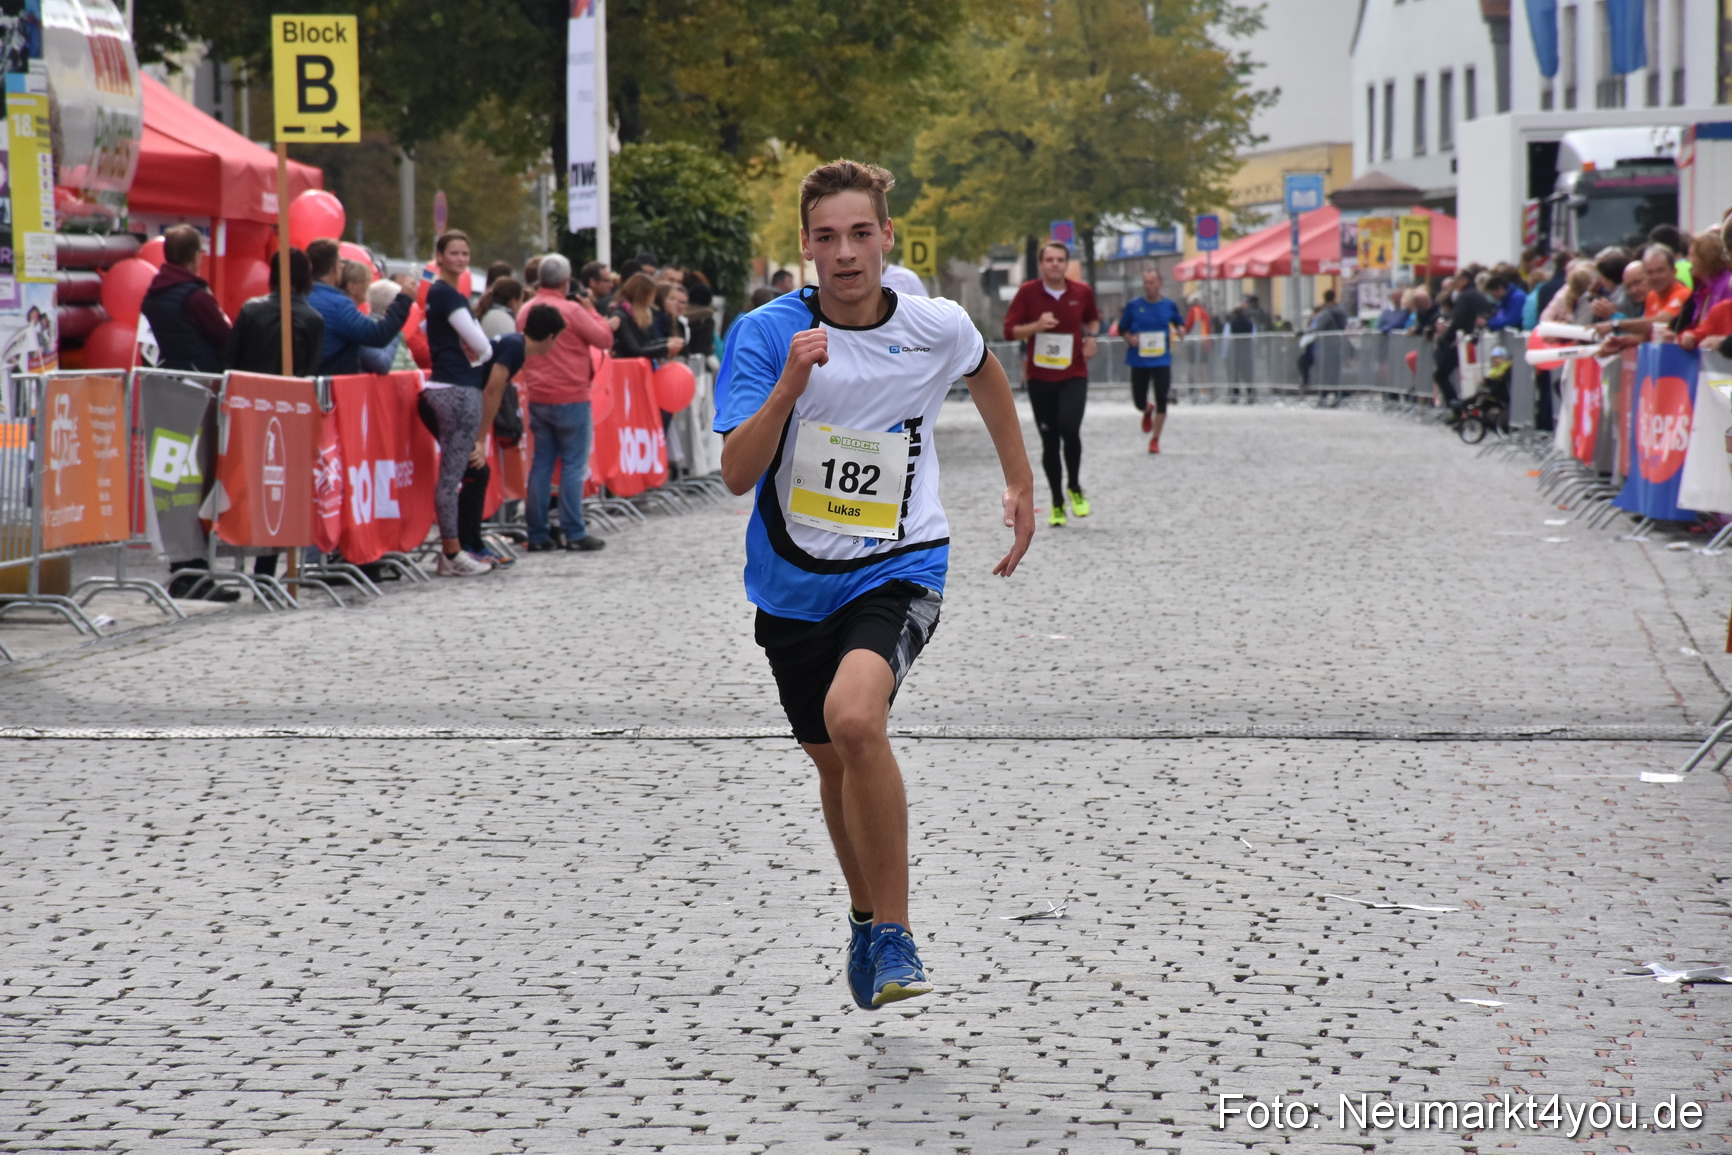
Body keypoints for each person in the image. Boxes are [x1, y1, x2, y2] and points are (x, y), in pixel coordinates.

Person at [714, 159, 1034, 1011]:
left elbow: (986, 369)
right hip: (791, 585)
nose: (846, 253)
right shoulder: (765, 333)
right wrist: (788, 385)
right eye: (827, 237)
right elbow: (737, 474)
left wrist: (1019, 480)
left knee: (855, 717)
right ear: (807, 246)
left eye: (862, 234)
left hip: (901, 563)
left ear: (888, 238)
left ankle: (894, 934)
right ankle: (864, 918)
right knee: (832, 759)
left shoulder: (934, 323)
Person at [431, 302, 567, 568]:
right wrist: (480, 439)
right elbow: (493, 390)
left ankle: (472, 543)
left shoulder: (514, 343)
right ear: (551, 337)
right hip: (457, 400)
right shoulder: (516, 348)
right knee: (474, 473)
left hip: (457, 399)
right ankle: (463, 547)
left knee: (477, 474)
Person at [518, 253, 616, 552]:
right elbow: (603, 339)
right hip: (572, 396)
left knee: (541, 465)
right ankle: (574, 532)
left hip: (537, 396)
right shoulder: (573, 310)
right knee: (574, 465)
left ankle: (537, 534)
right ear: (566, 280)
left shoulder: (525, 310)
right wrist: (595, 312)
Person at [1003, 241, 1098, 527]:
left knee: (1070, 428)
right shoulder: (1028, 293)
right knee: (1049, 440)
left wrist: (1092, 338)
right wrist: (1036, 326)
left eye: (1060, 260)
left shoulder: (1081, 292)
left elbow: (1093, 319)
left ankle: (1075, 487)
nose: (1055, 264)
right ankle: (1057, 501)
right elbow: (1009, 331)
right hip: (1040, 377)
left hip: (1073, 373)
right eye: (1050, 260)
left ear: (1066, 264)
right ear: (1042, 264)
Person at [418, 230, 496, 577]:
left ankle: (459, 548)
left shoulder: (440, 295)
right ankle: (452, 552)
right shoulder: (447, 295)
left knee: (465, 472)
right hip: (457, 389)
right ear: (440, 255)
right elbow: (484, 346)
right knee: (452, 477)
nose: (462, 260)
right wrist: (475, 357)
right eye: (455, 253)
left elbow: (427, 329)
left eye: (466, 253)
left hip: (445, 387)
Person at [307, 238, 413, 376]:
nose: (342, 268)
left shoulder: (298, 297)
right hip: (331, 388)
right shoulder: (338, 305)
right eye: (340, 263)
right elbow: (377, 335)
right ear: (334, 267)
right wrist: (403, 300)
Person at [140, 225, 230, 373]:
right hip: (200, 378)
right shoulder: (196, 297)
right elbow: (226, 338)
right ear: (195, 256)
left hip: (167, 374)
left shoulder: (153, 295)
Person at [1116, 269, 1183, 453]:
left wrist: (1181, 330)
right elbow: (1122, 329)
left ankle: (1155, 439)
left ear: (1159, 283)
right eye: (1146, 283)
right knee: (1138, 400)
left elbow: (1179, 322)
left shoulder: (1169, 305)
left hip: (1161, 360)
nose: (1148, 286)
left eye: (1152, 282)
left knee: (1162, 398)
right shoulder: (1134, 305)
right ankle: (1146, 409)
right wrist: (1130, 339)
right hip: (1139, 360)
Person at [229, 247, 323, 377]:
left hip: (248, 392)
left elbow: (231, 359)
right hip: (291, 394)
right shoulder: (313, 319)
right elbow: (311, 370)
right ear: (306, 276)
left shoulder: (251, 309)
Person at [611, 273, 686, 360]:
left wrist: (667, 342)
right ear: (643, 295)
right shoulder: (621, 316)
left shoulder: (638, 314)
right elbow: (635, 350)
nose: (652, 300)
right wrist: (666, 347)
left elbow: (646, 343)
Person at [1224, 296, 1257, 403]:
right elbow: (1255, 338)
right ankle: (1251, 394)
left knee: (1234, 374)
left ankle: (1234, 395)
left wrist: (1224, 353)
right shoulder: (1250, 323)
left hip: (1234, 351)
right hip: (1247, 351)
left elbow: (1226, 339)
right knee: (1247, 374)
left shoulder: (1231, 323)